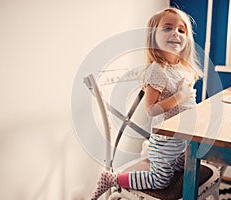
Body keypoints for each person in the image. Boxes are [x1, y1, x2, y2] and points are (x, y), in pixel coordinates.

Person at [90, 7, 203, 199]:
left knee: (191, 163)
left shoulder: (184, 68)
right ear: (153, 37)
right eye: (167, 28)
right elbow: (151, 110)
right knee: (160, 180)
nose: (176, 32)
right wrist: (179, 97)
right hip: (166, 141)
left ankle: (149, 149)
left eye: (181, 30)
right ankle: (113, 178)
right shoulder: (157, 70)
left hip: (182, 139)